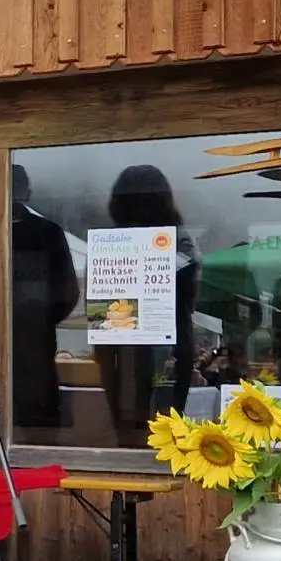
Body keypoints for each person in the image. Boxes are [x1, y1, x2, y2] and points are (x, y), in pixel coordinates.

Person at [96, 165, 201, 447]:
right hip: (172, 342)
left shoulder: (108, 245)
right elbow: (190, 295)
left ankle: (125, 476)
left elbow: (99, 306)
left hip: (117, 345)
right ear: (165, 198)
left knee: (126, 428)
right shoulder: (180, 241)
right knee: (168, 434)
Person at [8, 165, 81, 436]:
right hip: (36, 340)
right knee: (38, 421)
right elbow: (68, 292)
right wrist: (41, 319)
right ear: (28, 192)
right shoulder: (48, 231)